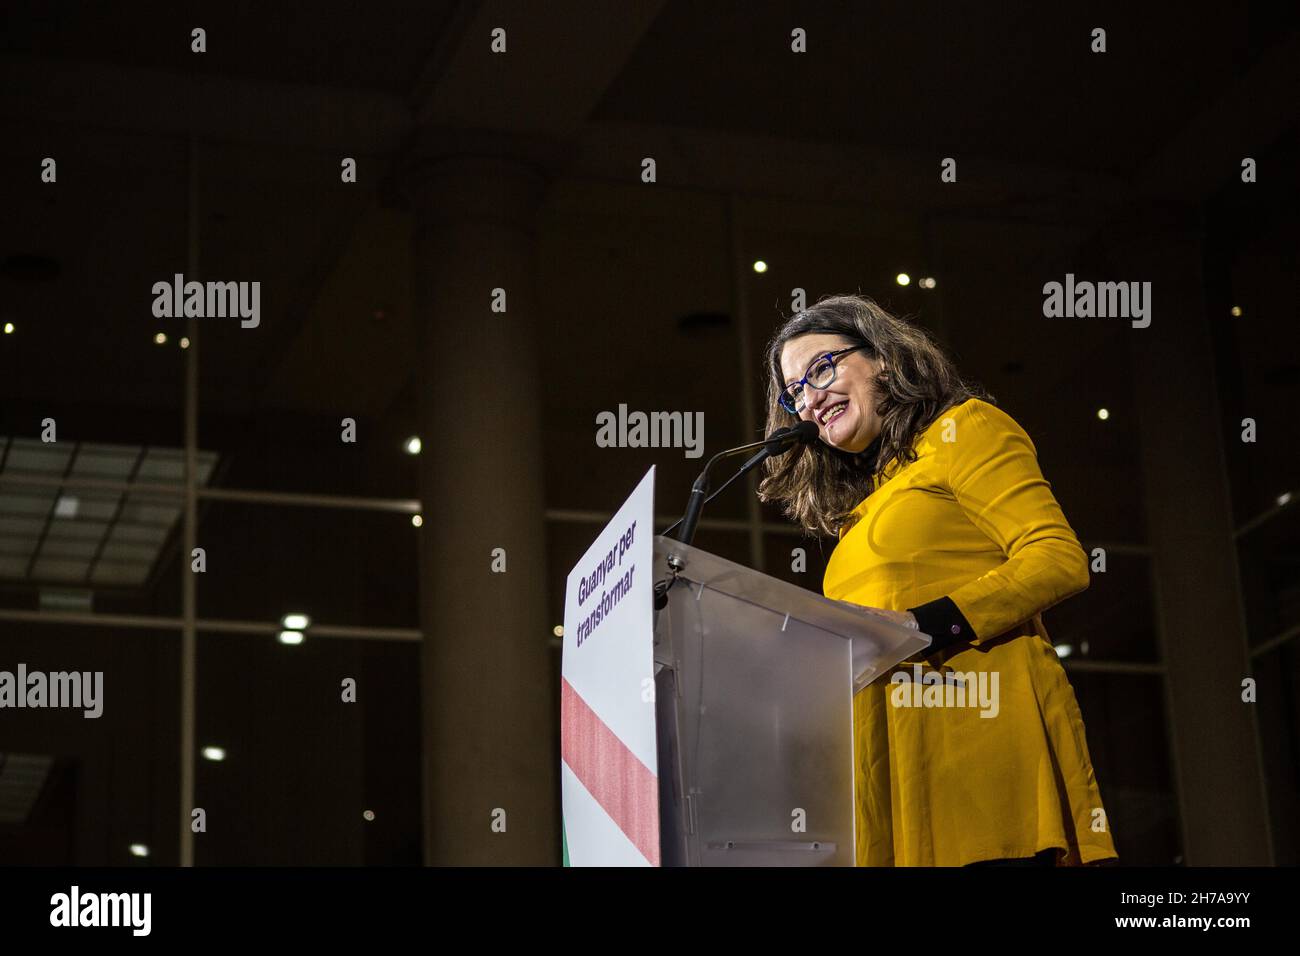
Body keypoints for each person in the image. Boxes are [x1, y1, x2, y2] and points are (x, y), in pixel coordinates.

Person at [758, 294, 1119, 867]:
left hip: (978, 757)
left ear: (882, 358)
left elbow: (1057, 558)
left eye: (822, 368)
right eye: (794, 391)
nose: (811, 398)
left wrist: (923, 625)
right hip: (894, 775)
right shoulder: (865, 509)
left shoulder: (965, 429)